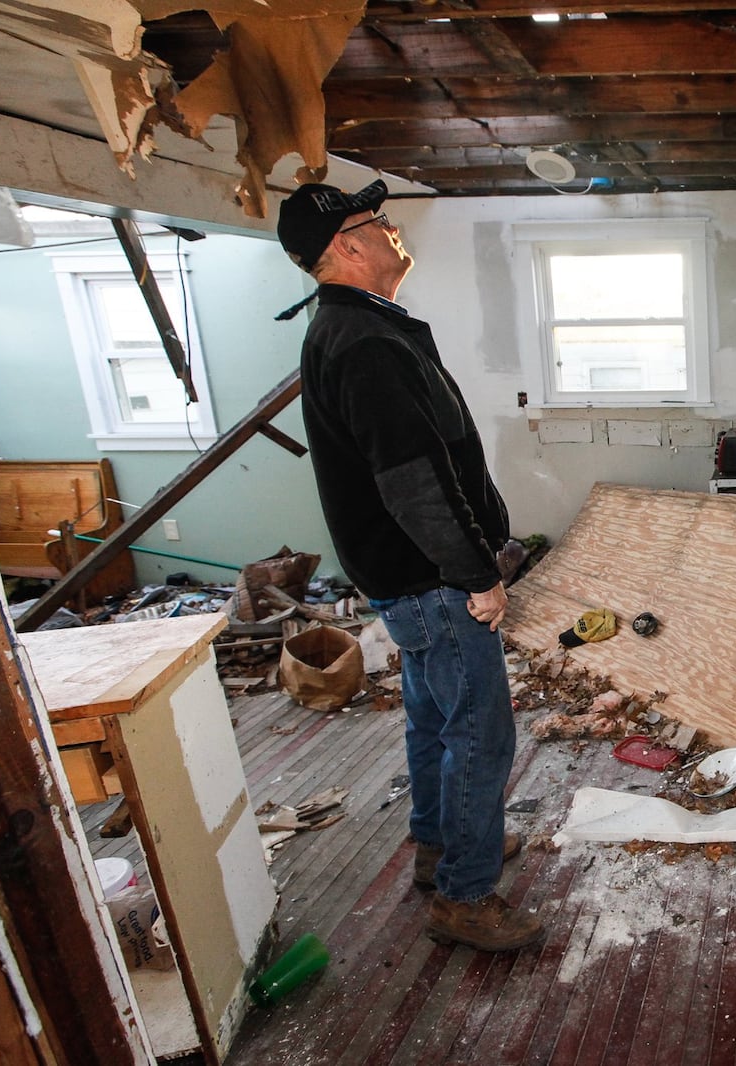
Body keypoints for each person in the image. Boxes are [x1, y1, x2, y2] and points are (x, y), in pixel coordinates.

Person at [276, 180, 541, 953]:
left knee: (433, 718)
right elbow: (414, 482)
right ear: (347, 248)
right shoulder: (363, 342)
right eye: (378, 223)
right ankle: (464, 894)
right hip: (432, 581)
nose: (394, 231)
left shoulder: (359, 329)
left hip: (408, 581)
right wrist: (476, 573)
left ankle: (441, 847)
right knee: (481, 735)